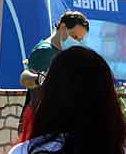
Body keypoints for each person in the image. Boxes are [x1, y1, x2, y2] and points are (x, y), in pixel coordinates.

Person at [19, 10, 89, 138]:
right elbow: (28, 79)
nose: (77, 42)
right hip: (39, 127)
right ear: (62, 27)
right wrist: (39, 79)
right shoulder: (45, 51)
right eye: (74, 37)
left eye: (80, 39)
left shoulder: (64, 53)